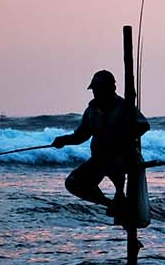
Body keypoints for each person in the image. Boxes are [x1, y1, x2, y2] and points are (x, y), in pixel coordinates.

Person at [51, 70, 149, 223]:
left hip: (121, 158)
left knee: (116, 175)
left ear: (110, 88)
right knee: (73, 182)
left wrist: (123, 135)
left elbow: (143, 126)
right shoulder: (91, 110)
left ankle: (120, 199)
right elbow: (81, 136)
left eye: (99, 89)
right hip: (99, 159)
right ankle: (110, 204)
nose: (96, 93)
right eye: (94, 90)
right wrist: (63, 140)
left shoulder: (124, 107)